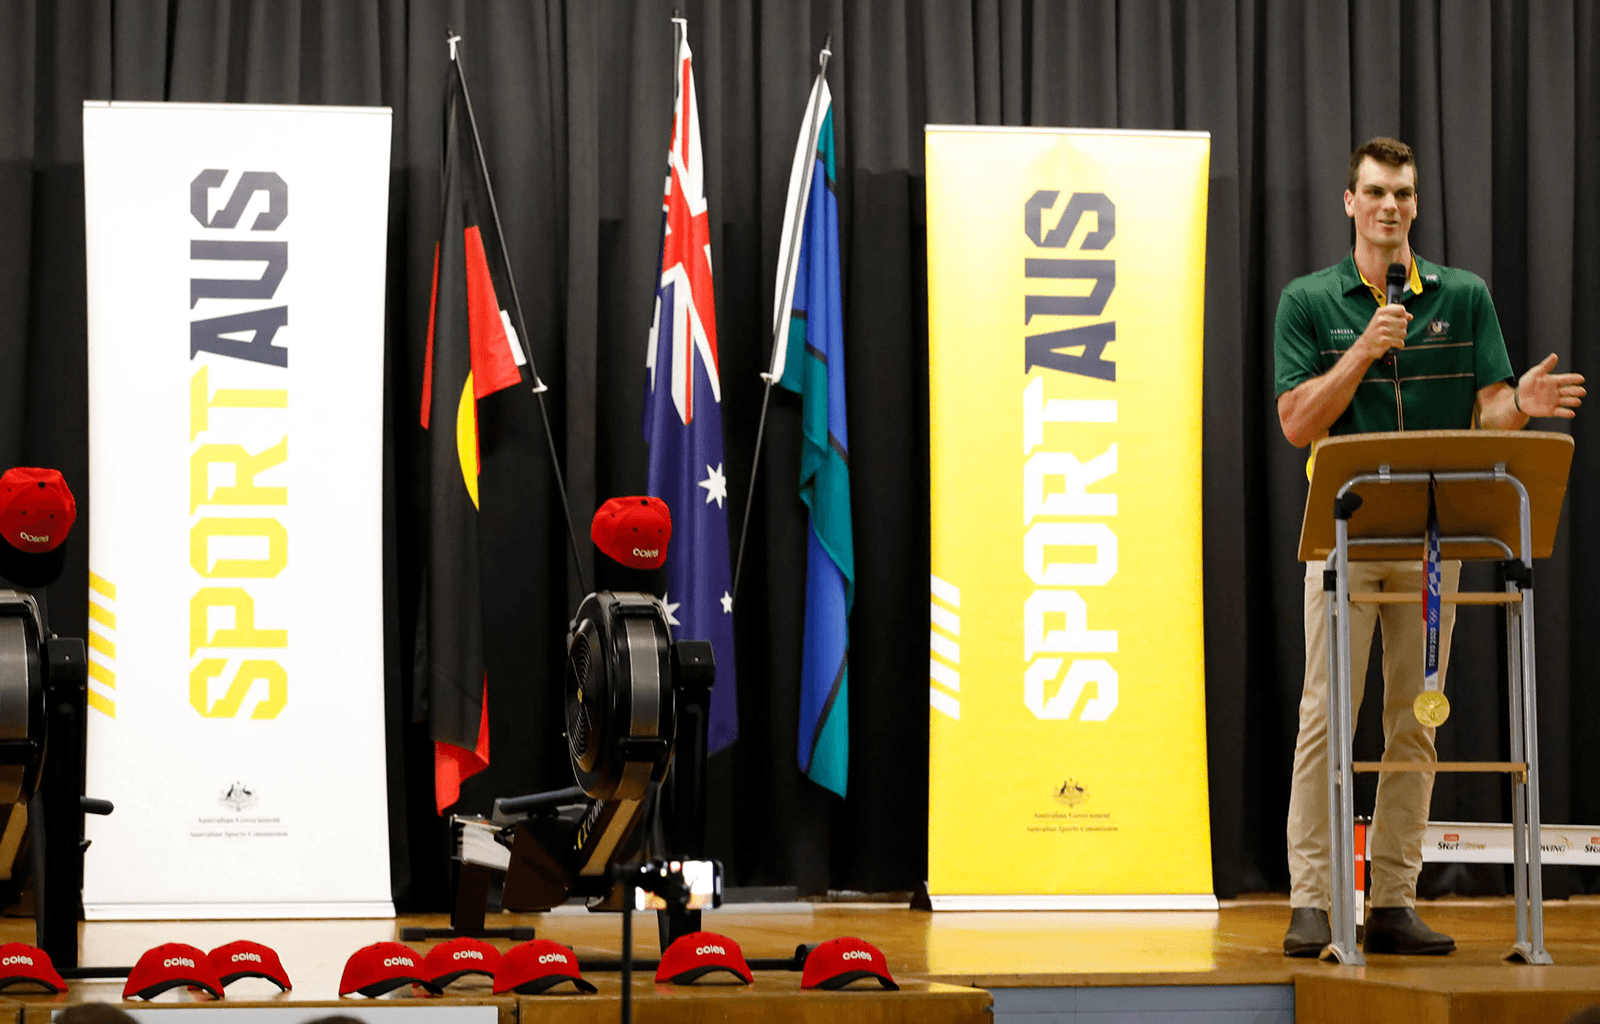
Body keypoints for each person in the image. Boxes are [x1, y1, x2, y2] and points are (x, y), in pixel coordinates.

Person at [1273, 137, 1585, 956]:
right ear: (1349, 203)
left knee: (1416, 722)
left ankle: (1393, 901)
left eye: (1403, 194)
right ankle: (1312, 899)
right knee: (1325, 719)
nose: (1390, 207)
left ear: (1415, 204)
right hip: (1344, 535)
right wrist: (1365, 349)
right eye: (1375, 192)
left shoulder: (1464, 295)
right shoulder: (1308, 300)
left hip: (1432, 542)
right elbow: (1299, 422)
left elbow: (1487, 415)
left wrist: (1519, 401)